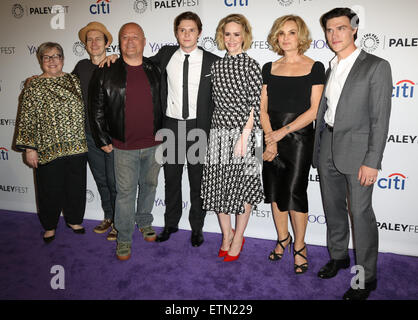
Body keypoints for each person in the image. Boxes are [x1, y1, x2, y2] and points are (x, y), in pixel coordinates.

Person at [313, 8, 392, 300]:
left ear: (354, 30)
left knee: (360, 215)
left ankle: (365, 277)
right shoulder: (330, 66)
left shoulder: (376, 66)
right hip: (327, 147)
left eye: (341, 28)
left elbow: (380, 119)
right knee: (333, 210)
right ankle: (338, 257)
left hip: (358, 154)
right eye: (330, 30)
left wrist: (372, 161)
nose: (334, 35)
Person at [89, 23, 162, 261]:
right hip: (123, 146)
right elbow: (96, 108)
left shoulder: (155, 68)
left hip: (154, 143)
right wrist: (102, 138)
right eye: (124, 37)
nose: (130, 41)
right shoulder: (106, 69)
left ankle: (144, 221)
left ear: (144, 40)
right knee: (125, 194)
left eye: (135, 37)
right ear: (119, 43)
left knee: (149, 187)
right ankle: (124, 238)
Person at [261, 15, 325, 274]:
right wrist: (270, 137)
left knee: (295, 193)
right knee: (275, 193)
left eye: (291, 32)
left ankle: (300, 245)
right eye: (281, 33)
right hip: (270, 136)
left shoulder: (315, 67)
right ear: (276, 37)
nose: (286, 38)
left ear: (301, 36)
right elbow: (263, 108)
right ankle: (282, 238)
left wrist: (280, 134)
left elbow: (314, 111)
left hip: (298, 139)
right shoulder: (269, 67)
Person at [150, 12, 219, 247]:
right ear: (176, 32)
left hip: (198, 127)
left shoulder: (212, 61)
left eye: (191, 29)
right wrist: (114, 58)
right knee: (171, 178)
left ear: (199, 32)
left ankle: (197, 227)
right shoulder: (166, 55)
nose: (187, 34)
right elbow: (137, 64)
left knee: (197, 180)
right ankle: (171, 223)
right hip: (171, 125)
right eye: (182, 29)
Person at [201, 14, 264, 261]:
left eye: (237, 34)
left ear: (245, 36)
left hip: (247, 133)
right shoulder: (216, 66)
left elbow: (255, 106)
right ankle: (227, 234)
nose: (231, 39)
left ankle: (239, 237)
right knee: (219, 188)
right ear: (221, 36)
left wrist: (244, 138)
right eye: (227, 34)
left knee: (244, 188)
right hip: (219, 130)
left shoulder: (252, 65)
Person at [15, 42, 88, 243]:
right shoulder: (34, 86)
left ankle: (74, 220)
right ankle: (49, 225)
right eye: (47, 57)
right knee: (49, 187)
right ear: (41, 61)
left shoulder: (74, 80)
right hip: (47, 147)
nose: (52, 60)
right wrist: (30, 148)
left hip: (76, 145)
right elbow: (27, 118)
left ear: (63, 59)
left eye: (56, 56)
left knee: (76, 185)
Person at [74, 22, 117, 241]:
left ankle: (120, 221)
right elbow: (64, 86)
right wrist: (39, 80)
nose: (93, 43)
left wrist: (118, 58)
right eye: (89, 40)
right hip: (89, 136)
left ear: (107, 42)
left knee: (114, 181)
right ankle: (109, 216)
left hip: (112, 137)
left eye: (98, 39)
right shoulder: (81, 66)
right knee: (101, 180)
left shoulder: (116, 64)